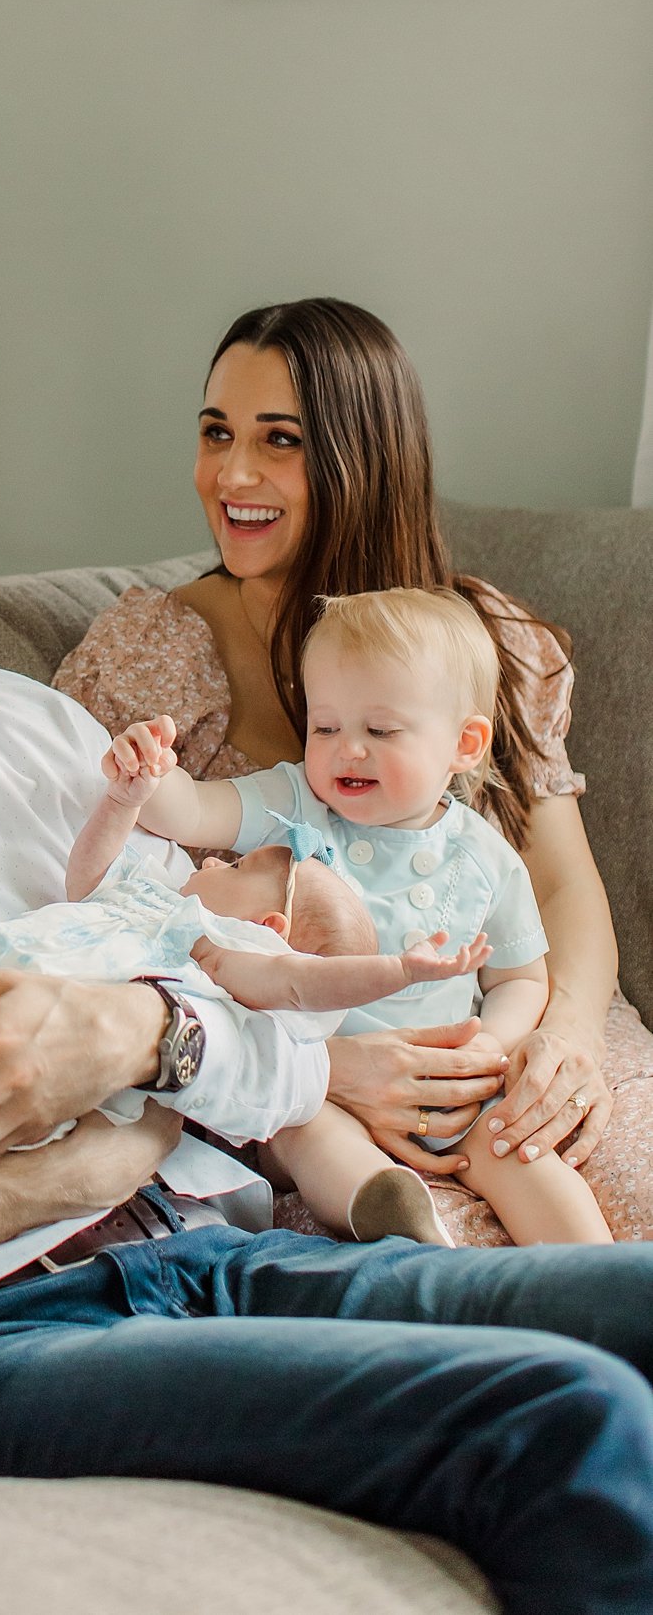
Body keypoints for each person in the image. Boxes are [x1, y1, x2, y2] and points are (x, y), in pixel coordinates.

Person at [0, 332, 653, 1615]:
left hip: (216, 1257)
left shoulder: (39, 731)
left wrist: (150, 1043)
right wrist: (70, 1173)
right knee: (564, 1412)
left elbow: (237, 1003)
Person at [55, 296, 653, 1245]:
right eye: (217, 432)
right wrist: (325, 1069)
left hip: (509, 1030)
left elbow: (559, 882)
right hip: (289, 1067)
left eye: (279, 439)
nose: (232, 473)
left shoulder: (482, 642)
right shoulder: (152, 652)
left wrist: (559, 1038)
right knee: (424, 1262)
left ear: (363, 456)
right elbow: (103, 920)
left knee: (610, 1197)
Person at [0, 744, 486, 1248]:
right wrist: (123, 801)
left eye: (236, 867)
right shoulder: (146, 902)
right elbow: (87, 875)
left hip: (41, 1055)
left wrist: (397, 970)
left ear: (268, 929)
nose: (209, 862)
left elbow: (303, 983)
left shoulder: (221, 956)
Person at [128, 587, 612, 1247]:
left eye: (379, 732)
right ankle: (389, 1212)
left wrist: (487, 1049)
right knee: (303, 1127)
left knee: (521, 1151)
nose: (345, 750)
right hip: (316, 1077)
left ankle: (599, 1277)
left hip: (454, 1088)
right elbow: (191, 813)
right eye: (326, 727)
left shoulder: (486, 857)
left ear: (465, 743)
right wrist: (150, 776)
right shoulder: (296, 804)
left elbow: (522, 979)